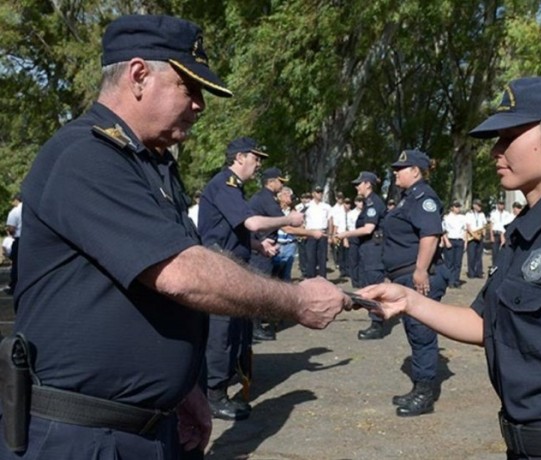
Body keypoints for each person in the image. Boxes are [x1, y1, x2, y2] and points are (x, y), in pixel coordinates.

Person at [1, 14, 348, 460]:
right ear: (139, 75)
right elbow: (181, 273)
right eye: (190, 87)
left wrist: (183, 392)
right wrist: (296, 301)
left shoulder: (150, 164)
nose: (200, 104)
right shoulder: (86, 155)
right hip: (82, 436)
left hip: (143, 426)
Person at [359, 77, 541, 459]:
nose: (496, 152)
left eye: (509, 136)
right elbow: (486, 324)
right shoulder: (524, 232)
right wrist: (407, 300)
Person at [198, 138, 321, 421]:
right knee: (221, 334)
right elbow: (252, 223)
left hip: (231, 266)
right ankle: (213, 396)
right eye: (256, 158)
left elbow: (230, 231)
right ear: (240, 157)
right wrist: (288, 219)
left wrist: (257, 246)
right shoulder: (225, 184)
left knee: (232, 332)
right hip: (220, 270)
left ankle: (221, 387)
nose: (259, 164)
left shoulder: (233, 187)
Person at [379, 149, 449, 416]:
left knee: (421, 334)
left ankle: (425, 394)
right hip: (405, 275)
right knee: (415, 332)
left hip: (418, 276)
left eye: (401, 168)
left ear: (416, 171)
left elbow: (430, 234)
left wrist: (420, 269)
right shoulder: (407, 199)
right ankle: (419, 386)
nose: (395, 172)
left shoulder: (423, 197)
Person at [335, 171, 386, 340]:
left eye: (359, 183)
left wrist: (345, 234)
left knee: (374, 287)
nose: (357, 186)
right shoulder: (369, 203)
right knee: (369, 285)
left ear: (368, 184)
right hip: (368, 250)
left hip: (374, 251)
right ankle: (375, 318)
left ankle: (377, 324)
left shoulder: (373, 203)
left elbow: (368, 228)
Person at [247, 167, 289, 342]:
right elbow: (286, 225)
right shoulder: (266, 199)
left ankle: (256, 323)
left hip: (262, 247)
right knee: (259, 289)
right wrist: (311, 233)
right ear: (271, 182)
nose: (282, 184)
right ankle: (255, 328)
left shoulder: (265, 197)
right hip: (260, 249)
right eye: (280, 181)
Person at [302, 185, 332, 279]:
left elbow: (330, 220)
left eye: (321, 192)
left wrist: (330, 235)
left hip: (323, 233)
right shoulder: (307, 206)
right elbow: (301, 219)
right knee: (311, 258)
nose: (320, 194)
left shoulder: (326, 206)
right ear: (313, 194)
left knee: (322, 258)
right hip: (311, 233)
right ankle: (311, 279)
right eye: (318, 192)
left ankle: (323, 279)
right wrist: (303, 232)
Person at [442, 201, 467, 287]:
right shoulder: (447, 217)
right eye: (456, 207)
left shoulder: (462, 218)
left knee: (458, 263)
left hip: (459, 240)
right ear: (452, 207)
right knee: (449, 263)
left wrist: (465, 242)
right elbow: (443, 230)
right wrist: (446, 241)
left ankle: (456, 280)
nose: (458, 208)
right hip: (450, 240)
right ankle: (449, 281)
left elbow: (464, 230)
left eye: (459, 207)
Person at [4, 193, 22, 296]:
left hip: (19, 239)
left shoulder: (14, 212)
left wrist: (11, 232)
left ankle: (14, 286)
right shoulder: (30, 209)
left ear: (16, 200)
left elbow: (11, 228)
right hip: (31, 240)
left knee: (16, 264)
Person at [465, 199, 487, 278]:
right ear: (474, 205)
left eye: (480, 205)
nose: (480, 207)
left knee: (479, 255)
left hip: (480, 235)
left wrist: (484, 232)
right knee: (471, 255)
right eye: (478, 205)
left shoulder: (482, 215)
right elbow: (468, 226)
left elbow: (484, 224)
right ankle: (471, 273)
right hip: (472, 236)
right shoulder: (469, 214)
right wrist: (474, 235)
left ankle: (479, 272)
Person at [489, 199, 514, 265]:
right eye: (500, 204)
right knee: (495, 252)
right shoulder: (493, 213)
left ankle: (501, 266)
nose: (501, 206)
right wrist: (491, 236)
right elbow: (491, 224)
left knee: (503, 251)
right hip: (496, 233)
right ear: (497, 205)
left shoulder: (507, 214)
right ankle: (494, 266)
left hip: (504, 234)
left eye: (502, 204)